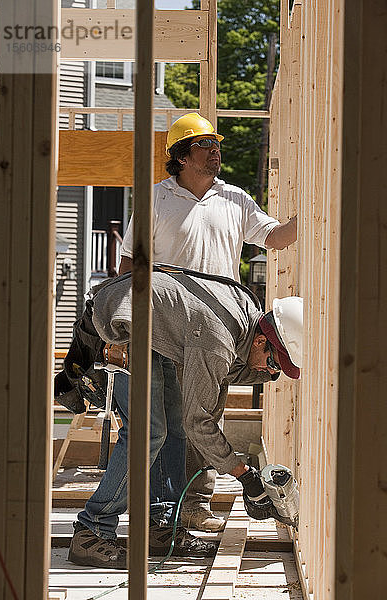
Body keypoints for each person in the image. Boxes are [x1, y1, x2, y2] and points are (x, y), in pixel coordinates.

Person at [118, 113, 297, 533]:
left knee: (203, 416)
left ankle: (196, 503)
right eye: (205, 145)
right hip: (165, 329)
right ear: (180, 156)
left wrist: (308, 217)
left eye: (217, 145)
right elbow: (130, 262)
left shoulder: (234, 199)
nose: (216, 151)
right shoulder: (156, 200)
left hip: (217, 331)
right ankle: (164, 512)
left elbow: (273, 238)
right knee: (164, 425)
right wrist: (124, 324)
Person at [68, 266, 303, 569]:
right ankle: (91, 531)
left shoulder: (246, 316)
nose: (270, 372)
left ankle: (161, 526)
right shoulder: (218, 339)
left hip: (154, 328)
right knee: (148, 432)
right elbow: (200, 420)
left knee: (174, 426)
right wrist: (244, 474)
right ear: (261, 341)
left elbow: (221, 378)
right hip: (124, 322)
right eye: (273, 363)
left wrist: (267, 372)